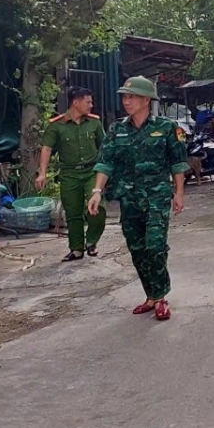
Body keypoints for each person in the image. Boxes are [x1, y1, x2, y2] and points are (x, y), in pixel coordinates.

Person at [88, 76, 188, 321]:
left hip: (157, 197)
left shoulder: (167, 127)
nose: (127, 101)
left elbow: (178, 163)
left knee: (154, 245)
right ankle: (151, 295)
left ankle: (161, 295)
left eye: (132, 97)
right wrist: (97, 191)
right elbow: (105, 162)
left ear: (146, 99)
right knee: (137, 249)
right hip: (129, 198)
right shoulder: (116, 129)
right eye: (124, 97)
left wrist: (179, 193)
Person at [37, 87, 106, 262]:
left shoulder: (94, 123)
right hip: (69, 174)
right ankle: (76, 249)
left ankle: (91, 241)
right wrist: (42, 173)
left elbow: (104, 147)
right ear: (75, 102)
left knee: (97, 208)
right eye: (88, 102)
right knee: (73, 212)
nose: (91, 105)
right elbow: (46, 148)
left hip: (92, 171)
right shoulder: (57, 125)